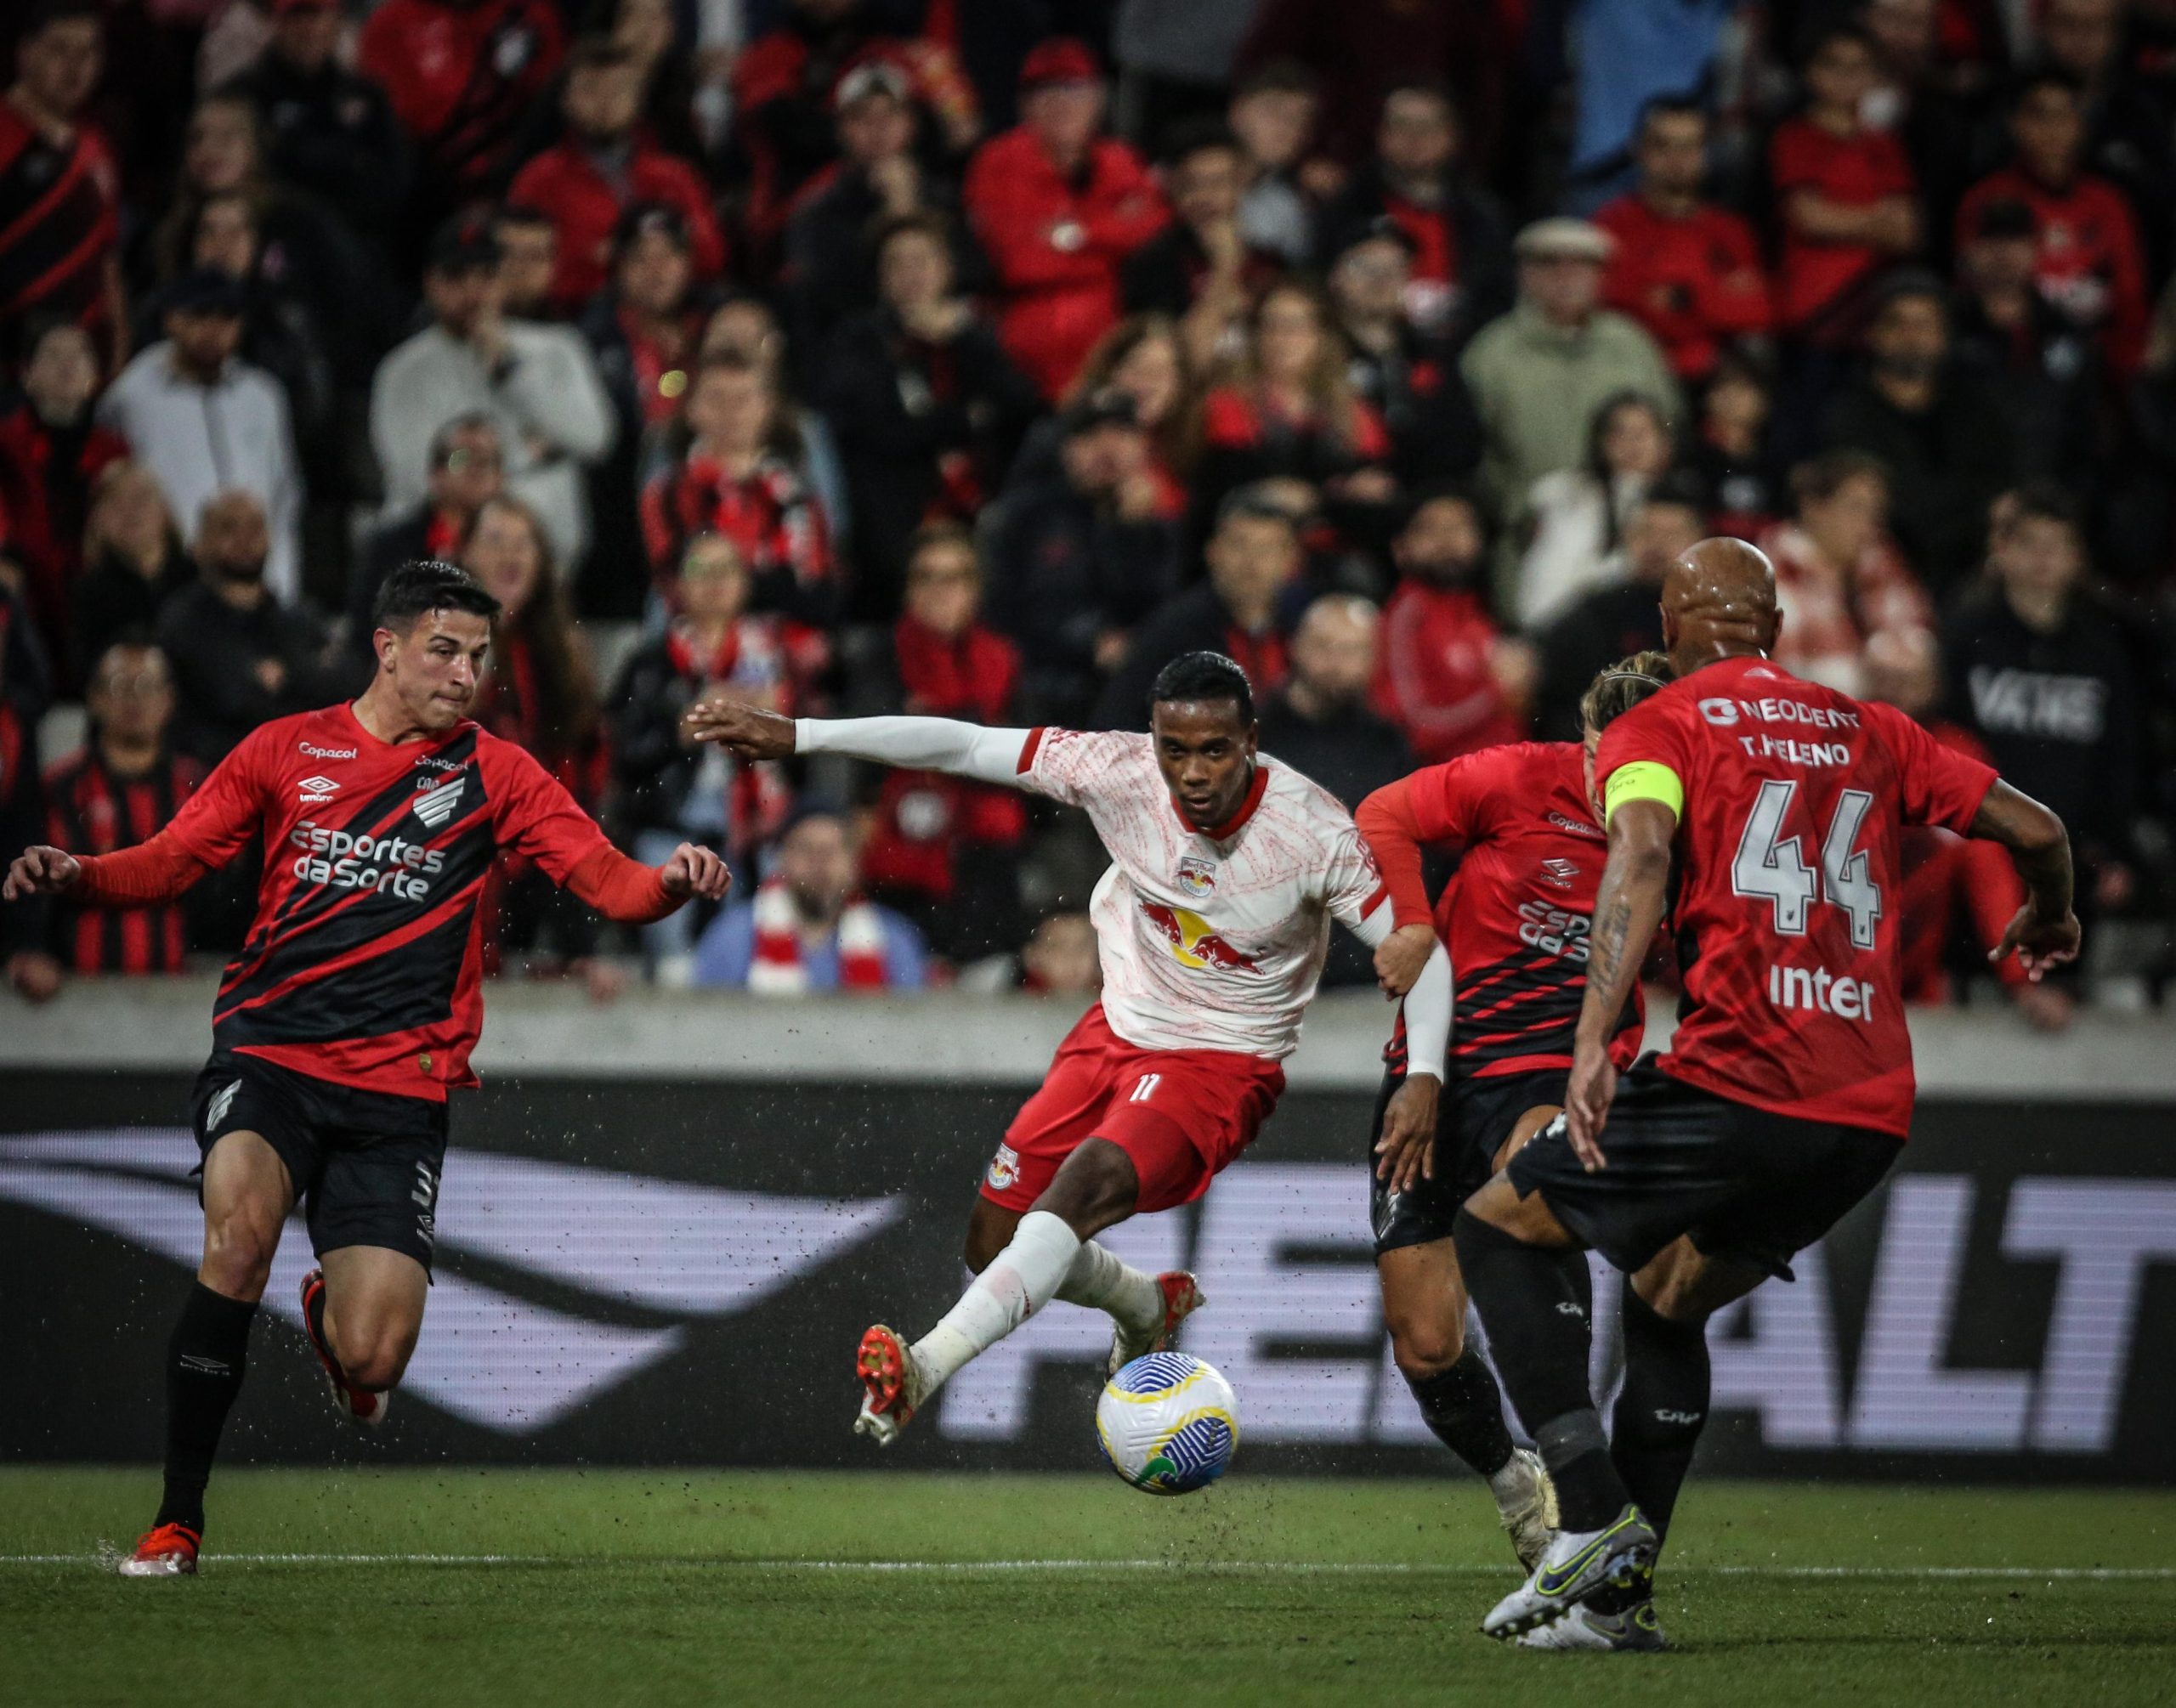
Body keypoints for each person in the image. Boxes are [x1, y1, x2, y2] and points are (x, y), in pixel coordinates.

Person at [2, 557, 731, 1576]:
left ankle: (329, 1322)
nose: (464, 673)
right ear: (385, 649)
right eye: (444, 649)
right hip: (269, 1056)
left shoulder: (498, 772)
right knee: (240, 1234)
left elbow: (606, 881)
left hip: (398, 1092)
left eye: (478, 655)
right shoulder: (283, 749)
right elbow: (173, 860)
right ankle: (177, 1522)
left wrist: (668, 881)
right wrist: (78, 876)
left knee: (373, 1358)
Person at [1447, 538, 2077, 1648]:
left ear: (1667, 628)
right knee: (1670, 1293)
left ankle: (1588, 1516)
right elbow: (2040, 829)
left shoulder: (1663, 723)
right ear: (1777, 631)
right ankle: (1614, 1606)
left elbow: (1637, 857)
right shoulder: (1875, 729)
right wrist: (2053, 913)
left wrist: (1593, 1036)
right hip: (1870, 1109)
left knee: (1497, 1225)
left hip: (1743, 1075)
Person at [683, 649, 1459, 1454]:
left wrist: (1426, 1073)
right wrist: (801, 733)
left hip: (1221, 1064)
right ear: (1152, 740)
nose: (1192, 773)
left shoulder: (1313, 833)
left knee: (1076, 1193)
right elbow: (962, 746)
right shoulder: (1116, 770)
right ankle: (1145, 1306)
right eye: (1175, 749)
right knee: (993, 1244)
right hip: (1112, 1033)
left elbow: (1422, 953)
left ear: (1252, 741)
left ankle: (922, 1366)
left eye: (1215, 750)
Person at [1352, 653, 1671, 1575]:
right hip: (1436, 1067)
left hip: (1555, 1072)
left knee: (1523, 1201)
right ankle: (1514, 1480)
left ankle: (1585, 1500)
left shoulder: (1683, 833)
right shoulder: (1513, 780)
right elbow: (1384, 814)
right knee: (1424, 1347)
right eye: (1609, 756)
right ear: (1583, 741)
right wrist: (1411, 924)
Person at [816, 211, 1041, 614]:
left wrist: (964, 340)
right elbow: (881, 432)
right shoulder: (858, 343)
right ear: (880, 278)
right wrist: (966, 419)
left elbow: (1023, 406)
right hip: (901, 519)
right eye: (896, 263)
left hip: (984, 508)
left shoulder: (977, 334)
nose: (911, 272)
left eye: (923, 260)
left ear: (947, 269)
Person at [1941, 486, 2140, 940]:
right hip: (1982, 848)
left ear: (2077, 557)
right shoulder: (1965, 638)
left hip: (2072, 856)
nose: (2044, 558)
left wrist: (2115, 848)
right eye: (2030, 543)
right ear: (2003, 551)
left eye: (2058, 545)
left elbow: (2120, 756)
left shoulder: (2103, 652)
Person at [371, 217, 616, 575]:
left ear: (503, 280)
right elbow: (418, 474)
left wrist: (510, 371)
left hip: (546, 561)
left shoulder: (557, 348)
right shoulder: (403, 371)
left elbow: (595, 439)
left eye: (485, 275)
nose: (472, 290)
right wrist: (529, 457)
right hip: (438, 558)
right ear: (430, 283)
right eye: (456, 276)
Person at [609, 532, 814, 959]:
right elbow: (626, 755)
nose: (715, 582)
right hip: (673, 825)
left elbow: (809, 755)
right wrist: (683, 730)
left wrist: (782, 722)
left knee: (763, 951)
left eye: (726, 569)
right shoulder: (652, 661)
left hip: (759, 830)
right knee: (674, 961)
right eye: (701, 570)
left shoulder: (776, 659)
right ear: (678, 585)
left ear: (744, 582)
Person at [854, 524, 1028, 962]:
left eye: (954, 578)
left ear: (975, 589)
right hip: (903, 847)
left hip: (984, 853)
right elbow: (863, 755)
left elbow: (1025, 760)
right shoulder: (880, 660)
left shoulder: (1004, 661)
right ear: (909, 590)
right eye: (926, 577)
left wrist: (930, 726)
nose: (940, 591)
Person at [963, 38, 1169, 399]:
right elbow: (1017, 263)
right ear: (1024, 105)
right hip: (1022, 339)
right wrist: (1105, 242)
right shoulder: (998, 161)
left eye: (1074, 90)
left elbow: (1152, 226)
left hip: (1110, 338)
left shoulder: (1119, 159)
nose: (1060, 103)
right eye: (1044, 92)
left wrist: (1075, 234)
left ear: (1097, 100)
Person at [1460, 219, 1678, 546]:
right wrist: (1514, 511)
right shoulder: (1490, 353)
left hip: (1633, 534)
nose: (1565, 276)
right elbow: (1470, 454)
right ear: (1524, 274)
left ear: (1601, 276)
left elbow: (1671, 429)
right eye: (1549, 263)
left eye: (1581, 265)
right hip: (1530, 535)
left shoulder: (1632, 345)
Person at [97, 271, 305, 604]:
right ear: (171, 320)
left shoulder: (262, 396)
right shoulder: (133, 397)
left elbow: (283, 495)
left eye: (227, 317)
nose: (213, 329)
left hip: (254, 580)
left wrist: (283, 584)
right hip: (170, 583)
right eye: (199, 315)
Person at [982, 389, 1182, 725]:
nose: (1107, 448)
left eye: (1121, 433)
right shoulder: (1026, 516)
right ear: (1065, 449)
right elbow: (1009, 612)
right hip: (1043, 682)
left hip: (1131, 687)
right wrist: (1090, 642)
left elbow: (1160, 608)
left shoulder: (1157, 527)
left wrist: (1130, 532)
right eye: (1090, 435)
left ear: (1143, 448)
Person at [18, 638, 203, 994]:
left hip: (182, 1006)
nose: (134, 699)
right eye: (119, 685)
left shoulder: (199, 789)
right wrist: (30, 951)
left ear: (168, 700)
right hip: (74, 1007)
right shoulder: (58, 789)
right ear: (95, 698)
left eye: (146, 686)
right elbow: (31, 890)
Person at [1821, 274, 2019, 589]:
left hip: (1973, 572)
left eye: (1924, 324)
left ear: (1945, 336)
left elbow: (2000, 490)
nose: (1910, 336)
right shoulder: (1846, 415)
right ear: (1872, 334)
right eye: (1897, 323)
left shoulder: (1976, 411)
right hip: (1882, 576)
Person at [507, 36, 728, 318]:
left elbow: (712, 257)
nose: (605, 102)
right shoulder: (539, 179)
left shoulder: (675, 176)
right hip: (574, 321)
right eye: (590, 90)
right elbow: (520, 271)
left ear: (638, 99)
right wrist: (613, 265)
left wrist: (620, 258)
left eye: (619, 90)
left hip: (672, 319)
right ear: (566, 99)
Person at [1954, 70, 2148, 375]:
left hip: (2092, 366)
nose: (2052, 130)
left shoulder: (2108, 203)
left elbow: (2129, 299)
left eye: (2064, 116)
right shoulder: (1987, 199)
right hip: (2008, 368)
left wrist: (2122, 379)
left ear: (2081, 126)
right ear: (2015, 124)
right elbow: (1969, 292)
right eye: (2039, 116)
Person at [640, 351, 839, 628]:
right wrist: (776, 585)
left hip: (788, 644)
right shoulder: (667, 493)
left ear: (767, 408)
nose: (731, 412)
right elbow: (680, 581)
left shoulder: (798, 495)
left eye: (743, 399)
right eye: (717, 399)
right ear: (692, 410)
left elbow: (820, 584)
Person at [1315, 82, 1511, 346]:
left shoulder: (1483, 216)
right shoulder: (1345, 209)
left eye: (1429, 126)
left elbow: (1496, 301)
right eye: (1402, 125)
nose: (1415, 137)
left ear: (1452, 137)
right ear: (1381, 134)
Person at [1094, 487, 1304, 729]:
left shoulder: (1302, 629)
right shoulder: (1173, 632)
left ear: (1291, 561)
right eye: (1239, 545)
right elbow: (1118, 718)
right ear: (1212, 552)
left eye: (1267, 549)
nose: (1251, 561)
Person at [1593, 99, 1770, 382]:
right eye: (1663, 145)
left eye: (1690, 146)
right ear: (1640, 150)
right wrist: (1715, 298)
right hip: (1629, 375)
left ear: (1706, 153)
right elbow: (1614, 304)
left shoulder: (1730, 231)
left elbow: (1757, 311)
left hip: (1710, 380)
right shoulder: (1611, 225)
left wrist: (1684, 298)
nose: (1677, 160)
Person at [156, 490, 334, 764]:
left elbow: (341, 684)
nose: (245, 539)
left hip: (295, 771)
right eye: (229, 528)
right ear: (199, 544)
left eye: (255, 527)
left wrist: (285, 676)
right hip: (215, 775)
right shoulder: (183, 620)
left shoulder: (298, 617)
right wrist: (301, 678)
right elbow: (232, 697)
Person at [1767, 25, 1918, 346]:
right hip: (1815, 308)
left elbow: (1905, 231)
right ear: (1811, 72)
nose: (1845, 76)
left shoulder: (1885, 145)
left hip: (1875, 308)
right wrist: (1877, 219)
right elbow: (1809, 218)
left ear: (1874, 75)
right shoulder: (1794, 138)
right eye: (1833, 64)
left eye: (1858, 66)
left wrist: (1839, 218)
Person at [357, 0, 565, 231]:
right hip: (423, 189)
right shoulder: (393, 22)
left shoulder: (528, 14)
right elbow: (385, 117)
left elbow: (552, 101)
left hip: (513, 179)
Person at [214, 0, 409, 247]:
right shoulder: (244, 97)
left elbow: (394, 180)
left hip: (360, 240)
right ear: (275, 23)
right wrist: (347, 163)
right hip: (272, 242)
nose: (309, 29)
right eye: (297, 17)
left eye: (318, 16)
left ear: (337, 22)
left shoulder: (366, 95)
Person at [1532, 476, 1706, 739]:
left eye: (1671, 535)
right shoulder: (1595, 612)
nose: (1655, 545)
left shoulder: (1717, 620)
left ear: (1700, 542)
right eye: (1646, 531)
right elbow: (1535, 662)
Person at [690, 800, 930, 992]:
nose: (820, 862)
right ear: (781, 860)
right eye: (806, 849)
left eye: (832, 850)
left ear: (855, 863)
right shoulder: (733, 934)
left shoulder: (895, 939)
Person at [0, 2, 123, 369]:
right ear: (25, 53)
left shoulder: (96, 146)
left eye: (88, 52)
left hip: (82, 369)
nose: (76, 67)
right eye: (60, 50)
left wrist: (117, 352)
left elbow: (107, 263)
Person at [0, 318, 128, 667]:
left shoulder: (114, 450)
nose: (67, 365)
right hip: (28, 594)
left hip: (98, 599)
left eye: (79, 355)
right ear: (27, 374)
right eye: (54, 355)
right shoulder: (7, 445)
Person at [1757, 451, 1932, 698]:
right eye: (1855, 507)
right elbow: (1791, 678)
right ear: (1812, 508)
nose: (1869, 523)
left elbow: (1920, 660)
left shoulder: (1881, 559)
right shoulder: (1773, 568)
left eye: (1876, 511)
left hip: (1879, 718)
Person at [1328, 219, 1484, 489]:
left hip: (1418, 497)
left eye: (1396, 267)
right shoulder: (1313, 351)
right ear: (1335, 275)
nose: (1381, 280)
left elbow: (1461, 438)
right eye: (1364, 266)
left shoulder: (1433, 355)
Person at [1372, 488, 1524, 764]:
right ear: (1400, 549)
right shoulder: (1405, 618)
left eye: (1460, 527)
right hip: (1444, 788)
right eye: (1430, 530)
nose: (1447, 540)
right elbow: (1409, 728)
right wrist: (1498, 692)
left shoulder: (1479, 614)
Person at [345, 416, 503, 682]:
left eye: (489, 461)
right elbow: (366, 636)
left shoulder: (516, 547)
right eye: (462, 459)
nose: (477, 468)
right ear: (436, 474)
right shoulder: (391, 550)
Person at [1120, 119, 1282, 373]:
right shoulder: (1153, 261)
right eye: (1192, 184)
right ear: (1173, 188)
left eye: (1218, 183)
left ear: (1241, 184)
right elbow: (1177, 367)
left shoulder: (1271, 263)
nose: (1205, 197)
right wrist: (1224, 270)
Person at [1516, 392, 1676, 629]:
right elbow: (1545, 594)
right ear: (1599, 442)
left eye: (1641, 434)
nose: (1631, 445)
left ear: (1665, 442)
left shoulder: (1684, 502)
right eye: (1619, 434)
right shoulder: (1570, 498)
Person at [71, 463, 196, 687]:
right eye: (116, 503)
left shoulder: (199, 577)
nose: (130, 511)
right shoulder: (88, 591)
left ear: (164, 510)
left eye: (140, 499)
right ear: (98, 520)